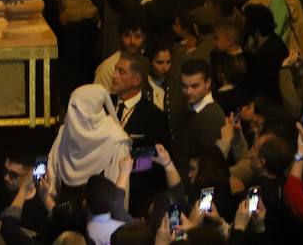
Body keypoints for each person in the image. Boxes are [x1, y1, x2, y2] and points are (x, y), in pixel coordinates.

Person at [109, 54, 169, 216]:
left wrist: (128, 167)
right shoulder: (104, 105)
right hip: (104, 191)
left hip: (135, 197)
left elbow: (156, 161)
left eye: (121, 72)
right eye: (115, 70)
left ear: (137, 80)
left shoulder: (154, 117)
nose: (114, 75)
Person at [47, 85, 130, 191]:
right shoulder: (65, 130)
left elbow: (117, 193)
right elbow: (52, 169)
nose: (70, 112)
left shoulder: (116, 139)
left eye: (76, 107)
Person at [176, 59, 225, 172]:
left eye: (195, 86)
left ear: (208, 83)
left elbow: (209, 165)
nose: (188, 92)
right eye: (184, 86)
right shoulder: (189, 107)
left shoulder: (212, 117)